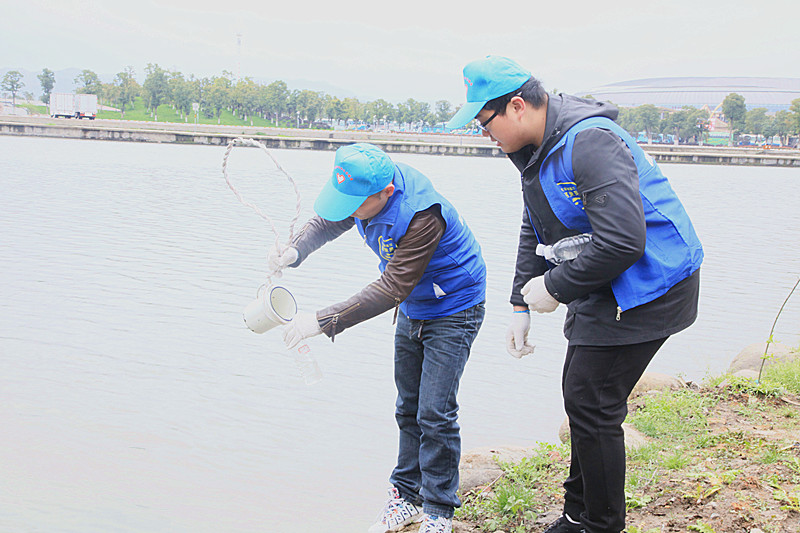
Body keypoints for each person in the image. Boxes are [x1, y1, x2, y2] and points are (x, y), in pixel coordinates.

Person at [446, 56, 703, 533]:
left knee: (591, 400)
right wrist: (521, 301)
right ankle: (576, 514)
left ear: (517, 106)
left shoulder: (590, 143)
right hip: (602, 273)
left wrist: (554, 286)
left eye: (484, 122)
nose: (483, 134)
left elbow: (624, 241)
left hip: (652, 281)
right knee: (583, 395)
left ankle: (601, 524)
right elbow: (535, 224)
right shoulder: (533, 148)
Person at [270, 143, 486, 533]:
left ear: (386, 193)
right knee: (408, 406)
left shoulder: (421, 215)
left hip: (453, 307)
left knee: (435, 412)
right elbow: (329, 220)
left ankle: (438, 511)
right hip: (414, 305)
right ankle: (407, 497)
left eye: (355, 205)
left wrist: (322, 321)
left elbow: (392, 288)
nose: (349, 210)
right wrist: (294, 250)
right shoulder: (365, 183)